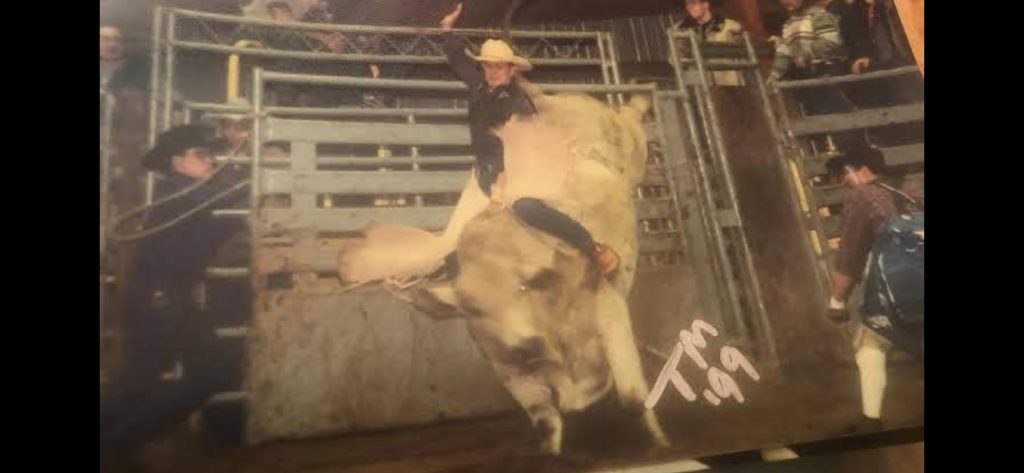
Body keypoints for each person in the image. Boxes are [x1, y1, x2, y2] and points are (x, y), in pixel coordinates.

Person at [100, 126, 249, 462]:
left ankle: (116, 442)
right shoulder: (183, 196)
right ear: (177, 162)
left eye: (209, 153)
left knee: (137, 384)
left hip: (156, 297)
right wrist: (244, 155)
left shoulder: (181, 192)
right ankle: (117, 443)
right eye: (200, 154)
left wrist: (232, 147)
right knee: (213, 372)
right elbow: (235, 192)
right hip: (162, 299)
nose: (209, 159)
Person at [440, 2, 619, 276]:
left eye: (498, 67)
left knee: (526, 208)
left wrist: (506, 180)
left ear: (511, 69)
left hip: (517, 173)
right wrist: (447, 30)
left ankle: (590, 246)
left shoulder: (517, 101)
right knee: (457, 242)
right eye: (488, 66)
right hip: (484, 176)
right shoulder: (480, 88)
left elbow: (531, 142)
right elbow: (460, 63)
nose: (492, 71)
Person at [823, 143, 923, 430]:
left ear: (862, 170)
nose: (842, 181)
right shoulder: (911, 194)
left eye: (844, 172)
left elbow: (851, 255)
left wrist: (837, 300)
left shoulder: (862, 196)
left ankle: (871, 419)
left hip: (899, 287)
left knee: (871, 344)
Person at [671, 0, 746, 86]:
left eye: (693, 3)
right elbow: (674, 59)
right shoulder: (681, 30)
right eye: (686, 4)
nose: (689, 7)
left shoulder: (729, 27)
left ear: (705, 4)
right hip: (697, 86)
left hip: (727, 84)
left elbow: (743, 56)